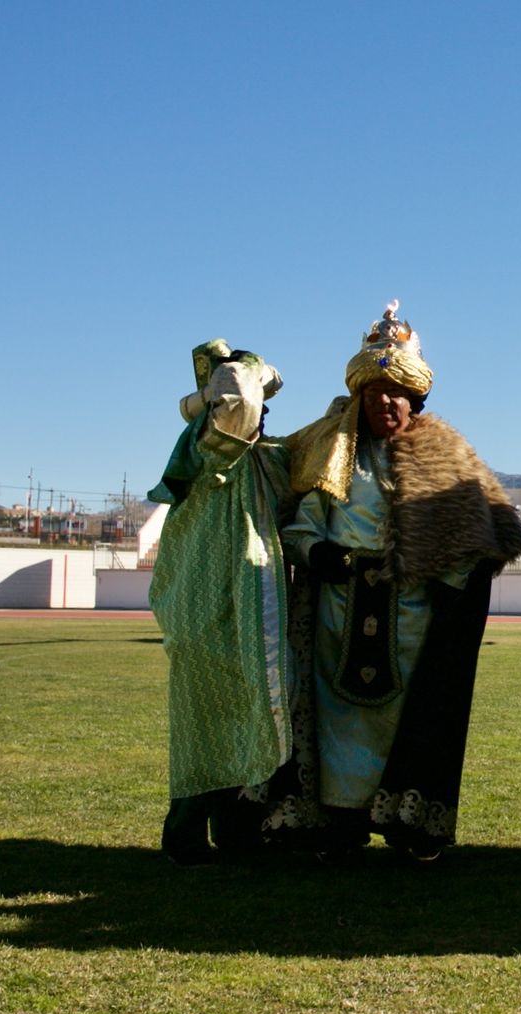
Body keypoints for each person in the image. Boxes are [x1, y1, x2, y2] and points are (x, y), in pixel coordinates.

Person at [275, 301, 521, 860]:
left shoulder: (448, 458)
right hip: (337, 614)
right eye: (373, 394)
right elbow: (301, 527)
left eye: (396, 394)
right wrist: (322, 555)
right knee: (338, 722)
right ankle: (340, 822)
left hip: (412, 618)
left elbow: (478, 538)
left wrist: (446, 574)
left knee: (406, 720)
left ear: (415, 400)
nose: (384, 403)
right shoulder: (334, 457)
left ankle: (405, 818)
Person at [148, 341, 295, 866]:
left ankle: (237, 830)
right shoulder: (210, 446)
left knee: (248, 716)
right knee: (202, 725)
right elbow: (236, 402)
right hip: (203, 613)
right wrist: (247, 373)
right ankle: (186, 834)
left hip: (249, 614)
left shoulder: (267, 457)